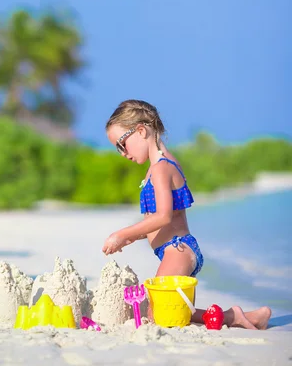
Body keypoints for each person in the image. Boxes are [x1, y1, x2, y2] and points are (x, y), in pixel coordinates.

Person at [102, 99, 271, 330]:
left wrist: (121, 234)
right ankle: (245, 317)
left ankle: (233, 316)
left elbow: (164, 217)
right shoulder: (159, 165)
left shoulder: (162, 167)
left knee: (160, 314)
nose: (122, 153)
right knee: (167, 309)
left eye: (122, 144)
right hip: (173, 249)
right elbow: (165, 218)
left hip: (178, 249)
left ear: (141, 131)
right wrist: (136, 236)